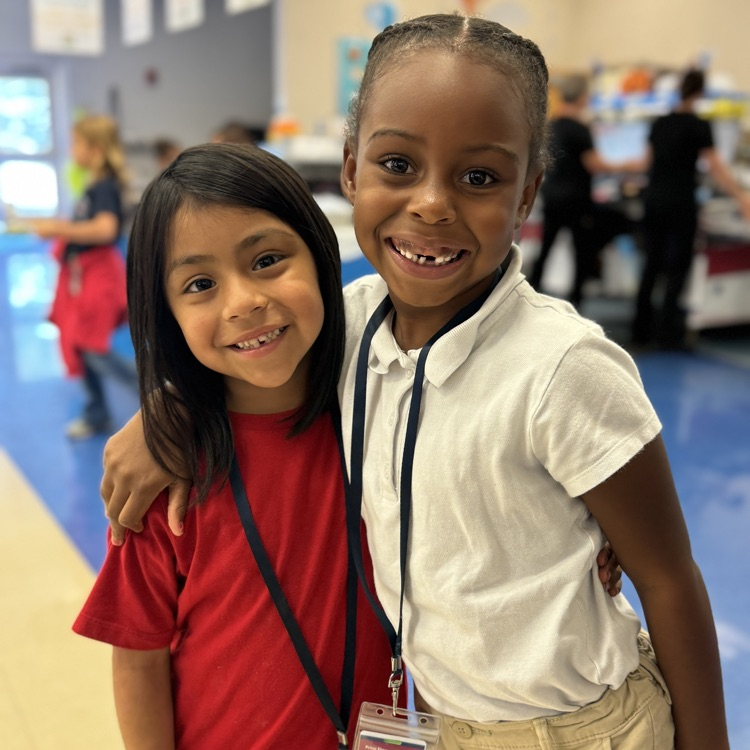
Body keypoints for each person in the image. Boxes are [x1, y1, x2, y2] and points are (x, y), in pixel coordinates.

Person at [98, 14, 727, 750]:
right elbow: (255, 342)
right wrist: (168, 413)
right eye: (398, 165)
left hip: (585, 729)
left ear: (527, 195)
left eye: (480, 177)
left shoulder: (564, 367)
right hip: (444, 724)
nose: (432, 203)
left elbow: (670, 578)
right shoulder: (349, 324)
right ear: (351, 168)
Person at [72, 143, 396, 749]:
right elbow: (138, 658)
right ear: (165, 314)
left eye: (268, 259)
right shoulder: (167, 476)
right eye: (199, 283)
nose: (243, 301)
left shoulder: (385, 407)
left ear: (322, 256)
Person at [30, 114, 138, 439]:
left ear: (95, 148)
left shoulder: (104, 187)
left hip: (99, 277)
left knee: (91, 346)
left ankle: (158, 395)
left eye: (77, 142)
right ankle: (97, 411)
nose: (72, 149)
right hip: (84, 278)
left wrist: (60, 228)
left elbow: (106, 229)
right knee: (81, 345)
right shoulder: (92, 187)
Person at [631, 68, 750, 349]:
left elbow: (645, 163)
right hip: (680, 202)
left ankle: (640, 331)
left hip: (654, 200)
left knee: (651, 266)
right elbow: (715, 166)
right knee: (677, 268)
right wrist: (741, 196)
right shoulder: (699, 125)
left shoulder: (660, 122)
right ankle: (667, 335)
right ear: (701, 92)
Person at [528, 74, 636, 307]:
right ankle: (577, 301)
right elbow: (595, 165)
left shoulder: (550, 126)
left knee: (546, 247)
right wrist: (627, 165)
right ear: (582, 98)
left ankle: (530, 295)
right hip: (575, 198)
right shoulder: (580, 129)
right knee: (581, 250)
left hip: (552, 193)